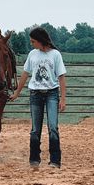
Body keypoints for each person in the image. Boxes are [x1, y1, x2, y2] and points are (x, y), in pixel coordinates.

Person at [9, 27, 66, 169]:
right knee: (35, 129)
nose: (32, 44)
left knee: (53, 127)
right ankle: (34, 159)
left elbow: (61, 77)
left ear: (41, 41)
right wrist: (17, 92)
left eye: (33, 41)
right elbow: (25, 74)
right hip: (35, 94)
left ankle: (55, 160)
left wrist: (63, 99)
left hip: (52, 93)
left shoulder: (55, 55)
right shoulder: (32, 54)